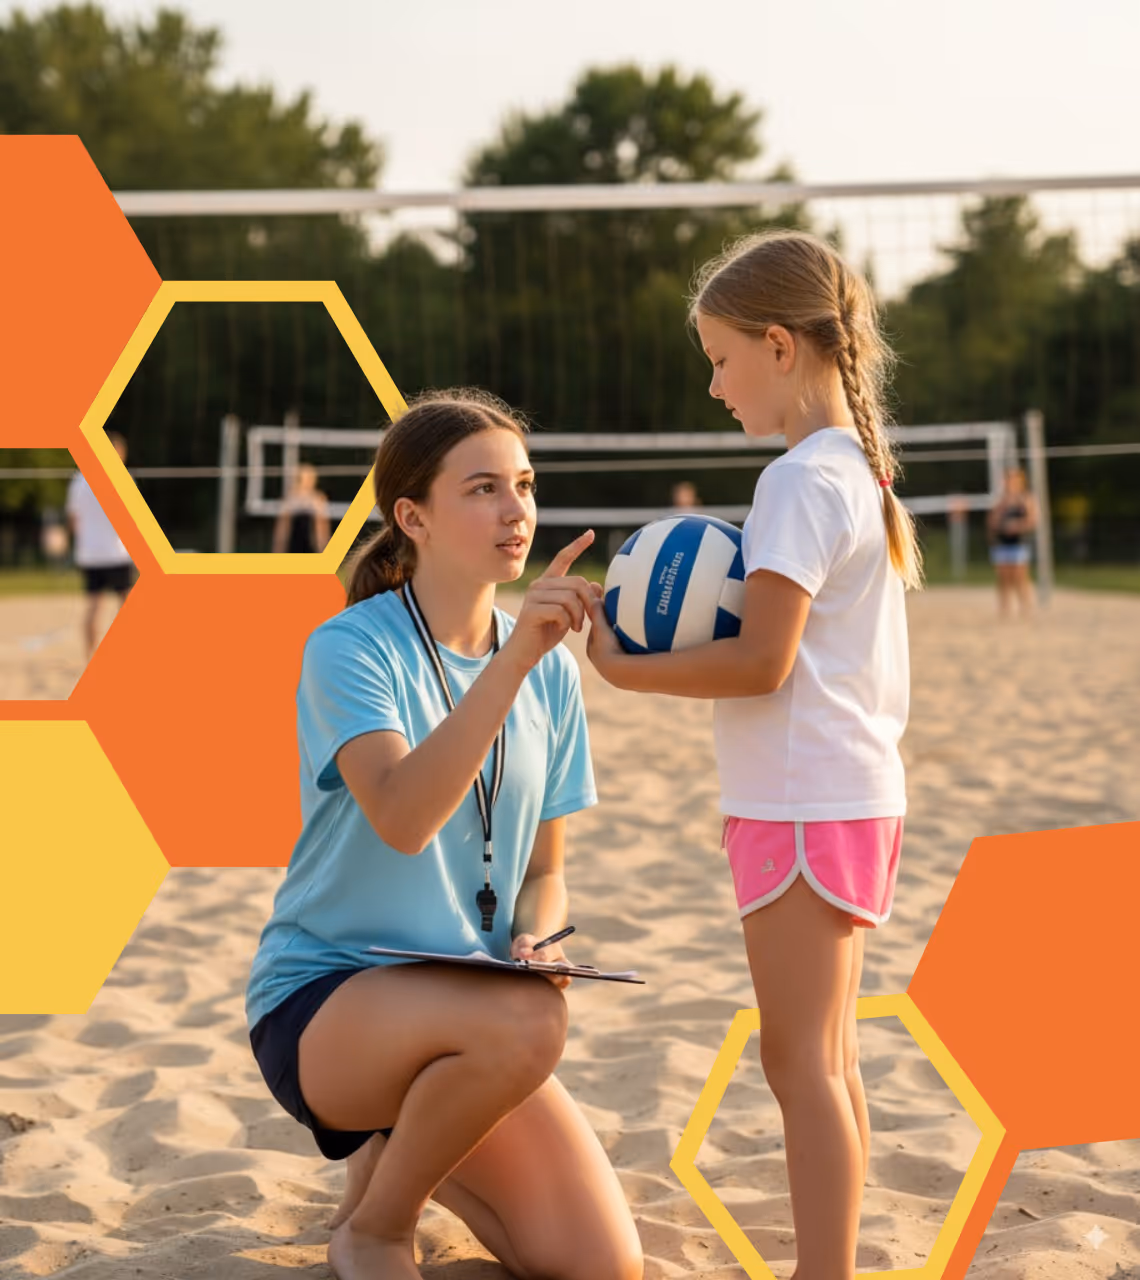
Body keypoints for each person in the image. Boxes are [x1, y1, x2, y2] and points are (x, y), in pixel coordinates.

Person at [245, 390, 643, 1280]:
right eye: (483, 489)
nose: (516, 512)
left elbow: (545, 869)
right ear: (411, 516)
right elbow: (401, 815)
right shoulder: (351, 648)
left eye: (525, 486)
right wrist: (511, 663)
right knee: (529, 1023)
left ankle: (403, 1145)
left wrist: (539, 933)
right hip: (329, 1000)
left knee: (601, 1266)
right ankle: (378, 1225)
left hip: (473, 1008)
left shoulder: (549, 676)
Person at [585, 230, 921, 1280]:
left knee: (799, 1063)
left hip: (803, 801)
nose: (715, 383)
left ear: (781, 346)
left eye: (722, 358)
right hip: (845, 794)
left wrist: (624, 669)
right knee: (829, 1058)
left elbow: (765, 659)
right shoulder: (851, 470)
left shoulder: (798, 481)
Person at [65, 431, 135, 662]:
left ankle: (90, 658)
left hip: (90, 555)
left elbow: (73, 522)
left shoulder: (78, 480)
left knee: (94, 607)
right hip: (116, 554)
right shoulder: (122, 478)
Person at [987, 466, 1037, 617]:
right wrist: (1002, 523)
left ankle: (1025, 606)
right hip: (1003, 543)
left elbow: (1032, 520)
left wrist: (1017, 526)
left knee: (1020, 576)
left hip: (1019, 543)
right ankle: (1005, 608)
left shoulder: (1026, 499)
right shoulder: (1002, 500)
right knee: (1003, 578)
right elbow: (992, 521)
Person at [272, 463, 331, 554]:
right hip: (293, 548)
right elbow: (281, 532)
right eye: (305, 478)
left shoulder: (318, 499)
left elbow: (322, 531)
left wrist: (323, 551)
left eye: (310, 478)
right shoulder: (290, 498)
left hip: (310, 548)